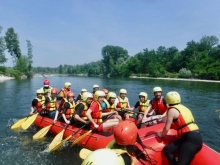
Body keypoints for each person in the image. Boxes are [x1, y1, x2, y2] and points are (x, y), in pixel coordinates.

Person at [157, 91, 203, 165]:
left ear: (168, 100)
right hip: (192, 137)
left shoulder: (171, 110)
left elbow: (167, 128)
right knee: (167, 149)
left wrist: (161, 135)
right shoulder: (184, 108)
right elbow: (181, 124)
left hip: (191, 140)